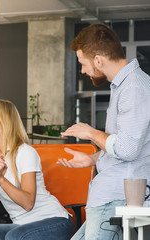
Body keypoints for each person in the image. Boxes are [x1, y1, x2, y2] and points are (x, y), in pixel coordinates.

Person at [58, 23, 150, 240]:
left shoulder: (134, 88)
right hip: (111, 197)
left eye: (83, 63)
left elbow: (127, 149)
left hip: (114, 197)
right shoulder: (126, 86)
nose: (82, 70)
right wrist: (92, 158)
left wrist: (90, 133)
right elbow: (130, 144)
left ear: (98, 60)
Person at [0, 99, 74, 240]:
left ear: (5, 119)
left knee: (15, 236)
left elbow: (28, 204)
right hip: (21, 225)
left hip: (54, 221)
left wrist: (2, 180)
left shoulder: (25, 152)